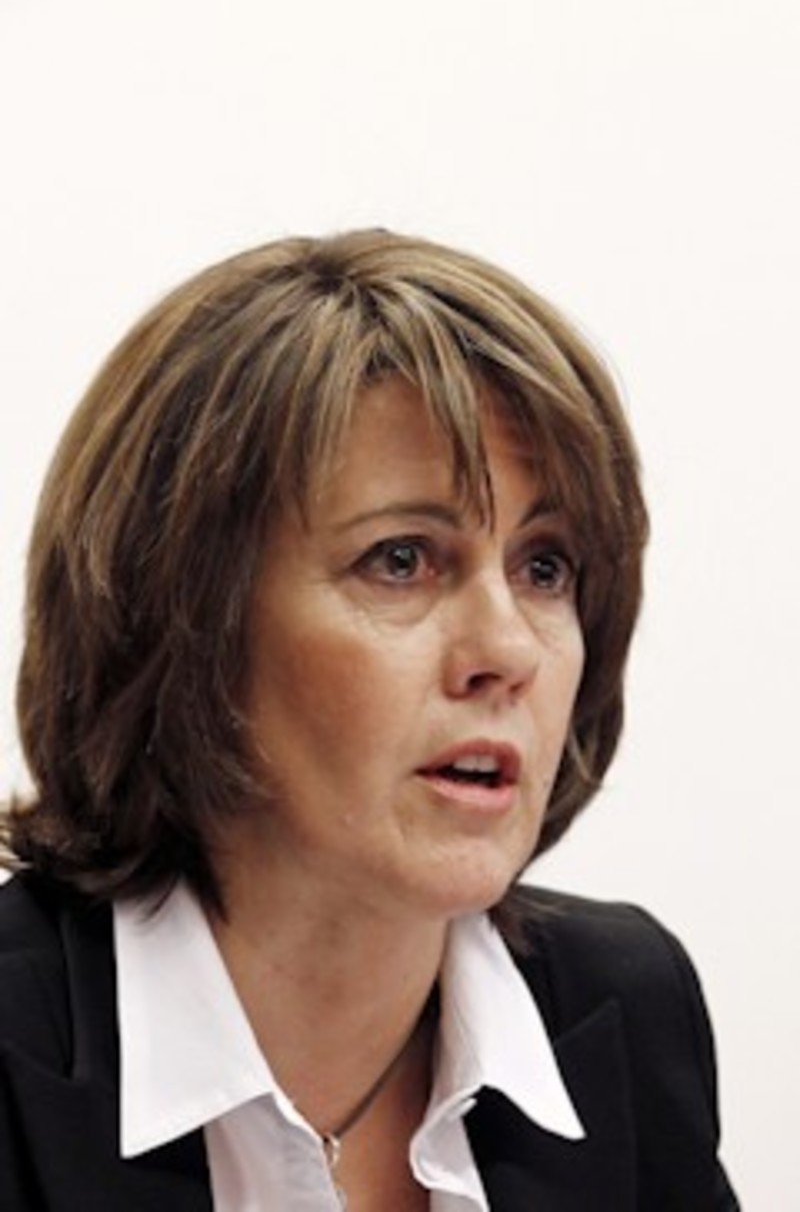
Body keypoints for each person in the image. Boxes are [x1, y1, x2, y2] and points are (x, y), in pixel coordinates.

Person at [0, 227, 739, 1211]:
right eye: (402, 559)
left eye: (544, 566)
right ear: (185, 619)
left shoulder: (624, 1007)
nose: (508, 649)